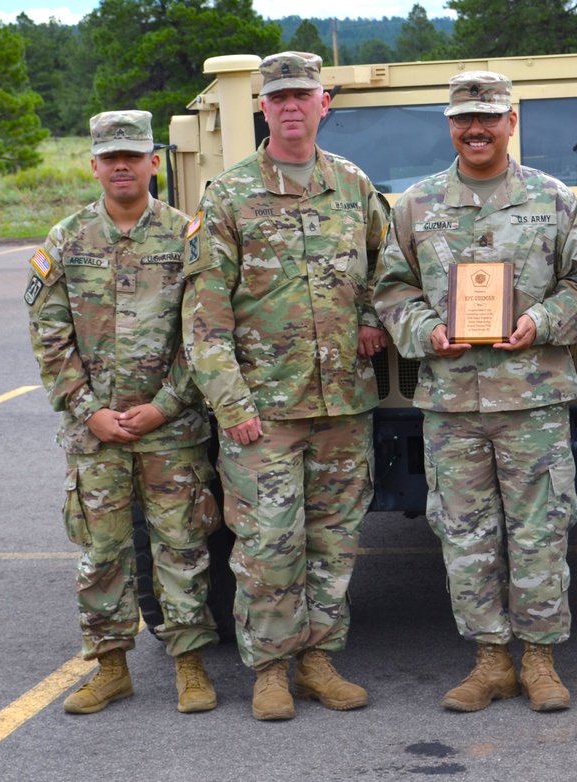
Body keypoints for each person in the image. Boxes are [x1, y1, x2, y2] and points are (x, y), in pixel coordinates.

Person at [373, 71, 577, 713]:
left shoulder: (555, 202)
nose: (476, 129)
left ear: (510, 122)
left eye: (488, 117)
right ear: (450, 126)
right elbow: (390, 289)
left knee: (541, 531)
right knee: (464, 535)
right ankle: (490, 660)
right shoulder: (416, 206)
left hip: (532, 400)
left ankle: (542, 661)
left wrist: (540, 323)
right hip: (451, 405)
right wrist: (425, 330)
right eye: (464, 119)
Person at [182, 51, 389, 721]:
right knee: (268, 546)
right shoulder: (229, 195)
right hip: (264, 413)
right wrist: (232, 406)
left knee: (333, 541)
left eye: (304, 94)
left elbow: (390, 276)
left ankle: (317, 661)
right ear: (263, 108)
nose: (292, 106)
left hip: (342, 405)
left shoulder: (353, 187)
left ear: (323, 104)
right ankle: (270, 670)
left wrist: (369, 319)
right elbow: (204, 317)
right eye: (280, 98)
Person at [25, 110, 220, 715]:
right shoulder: (65, 240)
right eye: (110, 158)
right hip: (97, 436)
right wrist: (89, 412)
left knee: (181, 547)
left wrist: (165, 406)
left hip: (172, 431)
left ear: (153, 163)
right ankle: (111, 669)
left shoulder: (188, 237)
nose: (121, 166)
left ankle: (190, 668)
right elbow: (48, 335)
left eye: (132, 156)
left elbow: (205, 332)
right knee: (102, 553)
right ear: (93, 165)